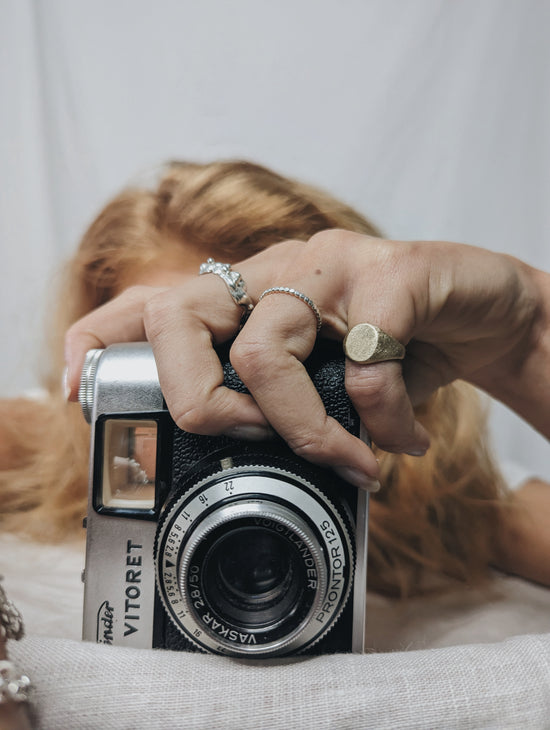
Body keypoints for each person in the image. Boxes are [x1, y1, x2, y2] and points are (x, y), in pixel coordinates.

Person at [1, 159, 549, 590]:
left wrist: (526, 336)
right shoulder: (51, 446)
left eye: (265, 363)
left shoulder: (440, 494)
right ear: (101, 375)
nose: (202, 404)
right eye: (159, 362)